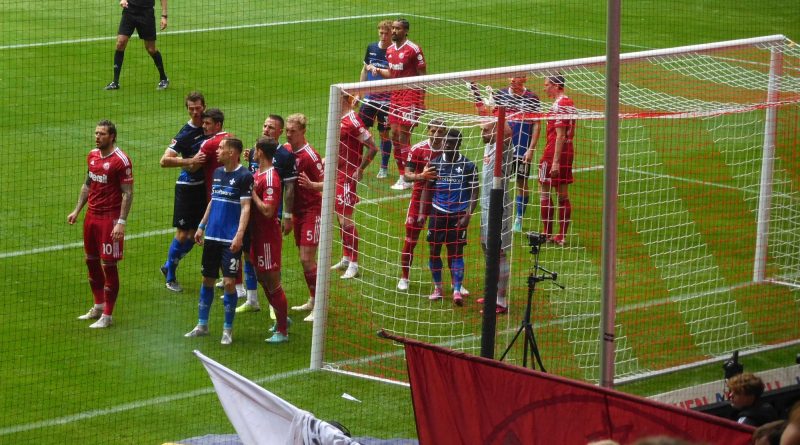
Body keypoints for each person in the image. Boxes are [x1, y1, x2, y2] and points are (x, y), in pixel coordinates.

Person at [185, 137, 252, 345]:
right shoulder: (217, 173)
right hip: (212, 236)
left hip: (229, 238)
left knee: (230, 282)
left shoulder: (244, 176)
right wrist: (201, 226)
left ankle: (227, 330)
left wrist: (239, 235)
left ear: (232, 153)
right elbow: (213, 201)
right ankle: (202, 325)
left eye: (221, 148)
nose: (218, 151)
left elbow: (246, 208)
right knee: (207, 280)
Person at [67, 120, 134, 328]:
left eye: (102, 134)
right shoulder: (92, 156)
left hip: (109, 219)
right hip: (92, 217)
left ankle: (108, 315)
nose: (97, 137)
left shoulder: (121, 161)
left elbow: (128, 193)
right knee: (91, 261)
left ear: (112, 136)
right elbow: (88, 185)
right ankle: (98, 306)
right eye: (96, 133)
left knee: (109, 266)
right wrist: (77, 210)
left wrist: (121, 222)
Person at [236, 114, 297, 314]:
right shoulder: (256, 150)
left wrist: (287, 216)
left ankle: (275, 303)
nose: (266, 130)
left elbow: (289, 188)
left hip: (271, 214)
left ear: (280, 132)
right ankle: (252, 299)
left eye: (271, 127)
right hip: (252, 215)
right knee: (249, 255)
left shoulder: (286, 157)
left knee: (271, 262)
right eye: (265, 126)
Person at [418, 128, 478, 305]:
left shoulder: (469, 166)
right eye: (444, 142)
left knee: (456, 251)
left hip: (458, 215)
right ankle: (438, 288)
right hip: (438, 213)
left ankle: (457, 290)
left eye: (450, 143)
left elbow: (475, 192)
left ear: (458, 144)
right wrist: (423, 213)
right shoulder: (434, 164)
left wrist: (468, 214)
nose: (446, 145)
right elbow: (426, 190)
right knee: (434, 251)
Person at [367, 18, 427, 191]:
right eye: (392, 28)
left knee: (403, 136)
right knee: (393, 135)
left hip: (411, 95)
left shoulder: (414, 49)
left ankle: (409, 175)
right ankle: (402, 175)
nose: (393, 31)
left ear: (406, 31)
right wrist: (377, 70)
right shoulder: (390, 50)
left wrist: (421, 101)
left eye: (397, 29)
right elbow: (392, 74)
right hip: (396, 96)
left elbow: (424, 76)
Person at [158, 91, 209, 292]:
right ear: (187, 109)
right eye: (191, 109)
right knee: (182, 234)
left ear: (204, 106)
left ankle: (168, 265)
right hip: (187, 188)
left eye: (198, 108)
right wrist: (190, 161)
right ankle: (170, 277)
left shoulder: (209, 126)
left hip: (203, 188)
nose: (195, 112)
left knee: (194, 235)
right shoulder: (184, 134)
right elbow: (164, 160)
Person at [329, 96, 379, 279]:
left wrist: (360, 169)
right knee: (339, 217)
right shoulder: (339, 119)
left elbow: (373, 147)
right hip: (336, 174)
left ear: (342, 99)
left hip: (347, 176)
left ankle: (354, 264)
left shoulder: (352, 121)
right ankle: (346, 256)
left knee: (346, 219)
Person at [248, 137, 291, 343]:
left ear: (261, 152)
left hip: (267, 237)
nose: (253, 153)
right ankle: (282, 317)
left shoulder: (271, 178)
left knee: (272, 282)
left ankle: (282, 329)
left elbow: (268, 210)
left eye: (255, 150)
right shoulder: (258, 173)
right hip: (257, 234)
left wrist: (252, 195)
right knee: (261, 277)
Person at [396, 119, 446, 291]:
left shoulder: (450, 149)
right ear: (427, 131)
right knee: (411, 240)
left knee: (445, 241)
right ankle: (404, 278)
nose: (436, 135)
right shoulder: (417, 149)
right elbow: (407, 176)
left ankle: (453, 284)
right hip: (419, 199)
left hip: (441, 199)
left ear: (445, 133)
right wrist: (422, 176)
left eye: (440, 131)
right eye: (433, 131)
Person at [285, 114, 324, 322]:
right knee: (304, 259)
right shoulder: (288, 150)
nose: (289, 134)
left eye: (293, 131)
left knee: (306, 259)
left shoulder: (311, 156)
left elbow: (328, 184)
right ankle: (313, 299)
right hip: (297, 212)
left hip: (312, 211)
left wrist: (311, 186)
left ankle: (320, 305)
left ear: (302, 131)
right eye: (287, 131)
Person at [491, 76, 541, 233]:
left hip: (522, 149)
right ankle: (500, 217)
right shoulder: (501, 94)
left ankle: (519, 218)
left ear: (524, 79)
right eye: (510, 76)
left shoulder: (532, 98)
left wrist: (531, 149)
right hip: (503, 149)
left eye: (516, 77)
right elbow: (493, 120)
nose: (512, 80)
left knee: (521, 183)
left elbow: (537, 124)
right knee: (498, 182)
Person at [475, 120, 514, 314]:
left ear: (496, 131)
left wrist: (498, 111)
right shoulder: (489, 144)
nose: (481, 133)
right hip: (485, 205)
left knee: (499, 252)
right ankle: (492, 293)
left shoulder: (504, 146)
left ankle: (501, 300)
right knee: (487, 248)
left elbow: (507, 130)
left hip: (499, 207)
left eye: (485, 130)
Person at [539, 74, 576, 246]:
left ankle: (546, 232)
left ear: (555, 85)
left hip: (554, 151)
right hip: (568, 151)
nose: (544, 88)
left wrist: (554, 161)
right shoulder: (570, 102)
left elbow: (560, 135)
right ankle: (561, 236)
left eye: (546, 85)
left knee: (544, 189)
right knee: (562, 194)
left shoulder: (560, 105)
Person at [104, 0, 169, 90]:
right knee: (120, 43)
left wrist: (164, 16)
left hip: (146, 13)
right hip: (129, 11)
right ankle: (115, 82)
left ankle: (163, 78)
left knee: (151, 49)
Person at [358, 20, 394, 180]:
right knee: (358, 131)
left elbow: (394, 75)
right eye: (381, 32)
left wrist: (378, 70)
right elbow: (364, 70)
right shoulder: (371, 48)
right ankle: (357, 163)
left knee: (384, 134)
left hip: (387, 102)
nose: (384, 36)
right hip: (369, 99)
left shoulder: (394, 51)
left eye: (387, 33)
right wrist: (359, 92)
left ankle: (384, 167)